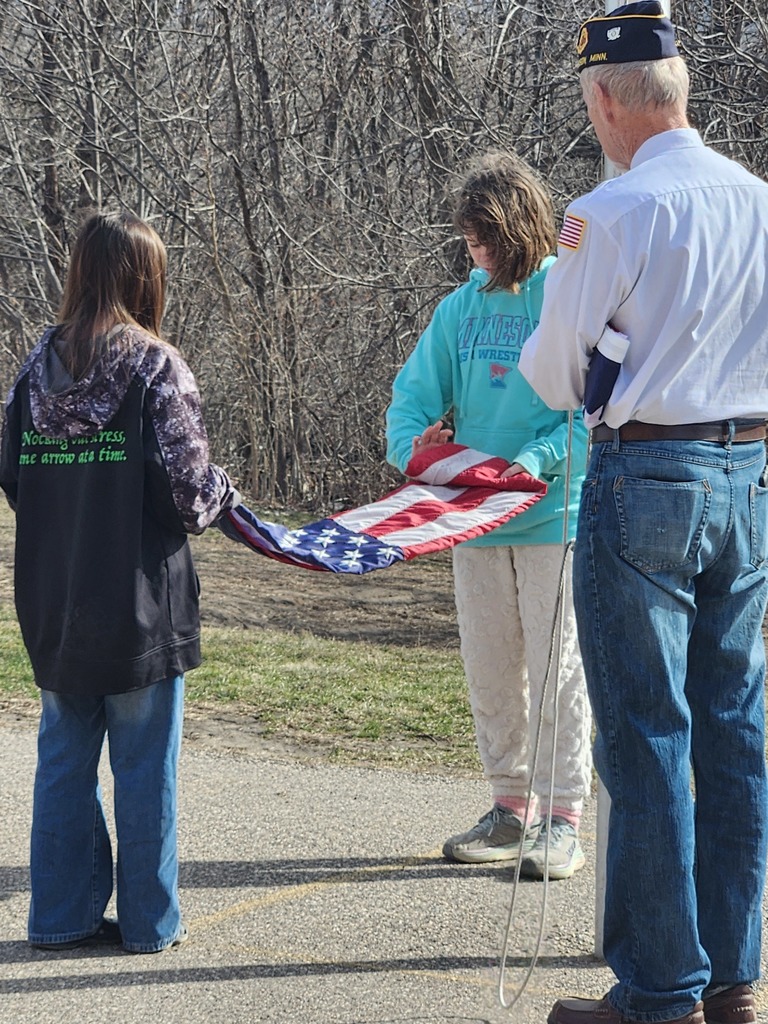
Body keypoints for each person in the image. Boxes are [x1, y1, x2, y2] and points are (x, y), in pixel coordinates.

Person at [518, 4, 768, 1023]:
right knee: (733, 728)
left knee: (646, 734)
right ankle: (736, 975)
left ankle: (662, 987)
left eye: (591, 108)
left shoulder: (607, 214)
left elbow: (548, 372)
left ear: (609, 102)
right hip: (747, 469)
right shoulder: (758, 200)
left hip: (646, 471)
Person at [0, 212, 240, 954]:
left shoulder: (34, 367)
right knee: (144, 770)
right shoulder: (156, 365)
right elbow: (191, 495)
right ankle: (149, 924)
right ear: (145, 276)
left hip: (55, 599)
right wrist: (227, 490)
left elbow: (12, 476)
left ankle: (61, 918)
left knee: (64, 761)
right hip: (139, 603)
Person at [386, 151, 592, 881]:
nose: (475, 253)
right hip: (471, 520)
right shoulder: (459, 307)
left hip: (551, 518)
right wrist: (414, 447)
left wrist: (535, 461)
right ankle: (510, 808)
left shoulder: (561, 298)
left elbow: (584, 411)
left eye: (485, 240)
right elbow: (410, 398)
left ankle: (562, 818)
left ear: (519, 229)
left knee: (555, 668)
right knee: (491, 667)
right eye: (469, 241)